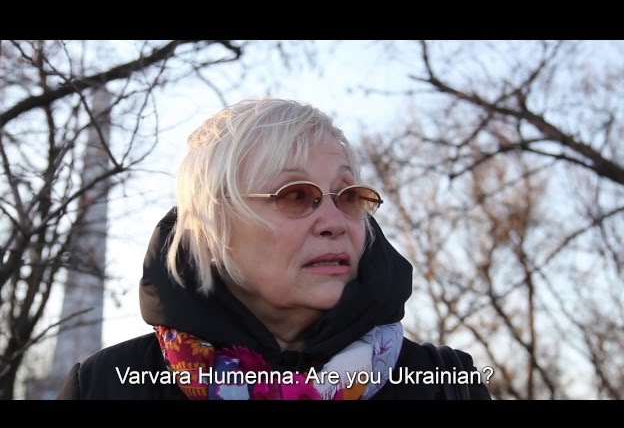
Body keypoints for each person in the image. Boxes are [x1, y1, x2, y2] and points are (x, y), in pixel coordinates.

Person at [57, 98, 491, 400]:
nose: (335, 222)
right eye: (295, 194)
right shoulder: (106, 385)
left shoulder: (446, 383)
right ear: (213, 229)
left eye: (348, 195)